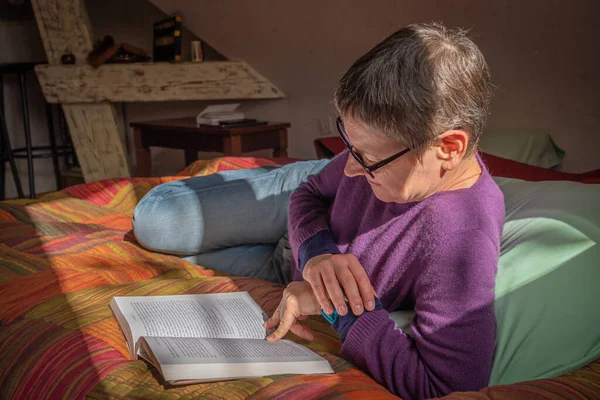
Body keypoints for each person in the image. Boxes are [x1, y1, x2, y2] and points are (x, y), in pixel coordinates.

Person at [132, 22, 504, 399]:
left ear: (449, 148)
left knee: (163, 259)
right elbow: (310, 193)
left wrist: (335, 304)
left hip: (288, 277)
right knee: (153, 224)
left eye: (368, 158)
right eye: (348, 145)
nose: (350, 168)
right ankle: (274, 176)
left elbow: (441, 388)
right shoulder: (369, 164)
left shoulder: (462, 240)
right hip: (302, 207)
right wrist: (318, 255)